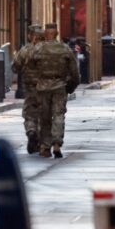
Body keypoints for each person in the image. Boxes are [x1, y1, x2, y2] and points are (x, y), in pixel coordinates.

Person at [31, 23, 80, 159]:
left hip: (42, 87)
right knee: (58, 115)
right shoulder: (64, 49)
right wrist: (71, 86)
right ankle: (57, 143)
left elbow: (30, 67)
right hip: (59, 86)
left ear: (46, 34)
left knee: (44, 117)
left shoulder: (38, 49)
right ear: (57, 34)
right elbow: (74, 72)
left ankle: (45, 147)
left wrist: (35, 82)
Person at [12, 25, 45, 154]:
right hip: (47, 87)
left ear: (31, 36)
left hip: (30, 88)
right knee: (45, 114)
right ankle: (42, 141)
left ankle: (31, 132)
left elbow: (15, 67)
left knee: (30, 113)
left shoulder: (25, 50)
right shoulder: (48, 50)